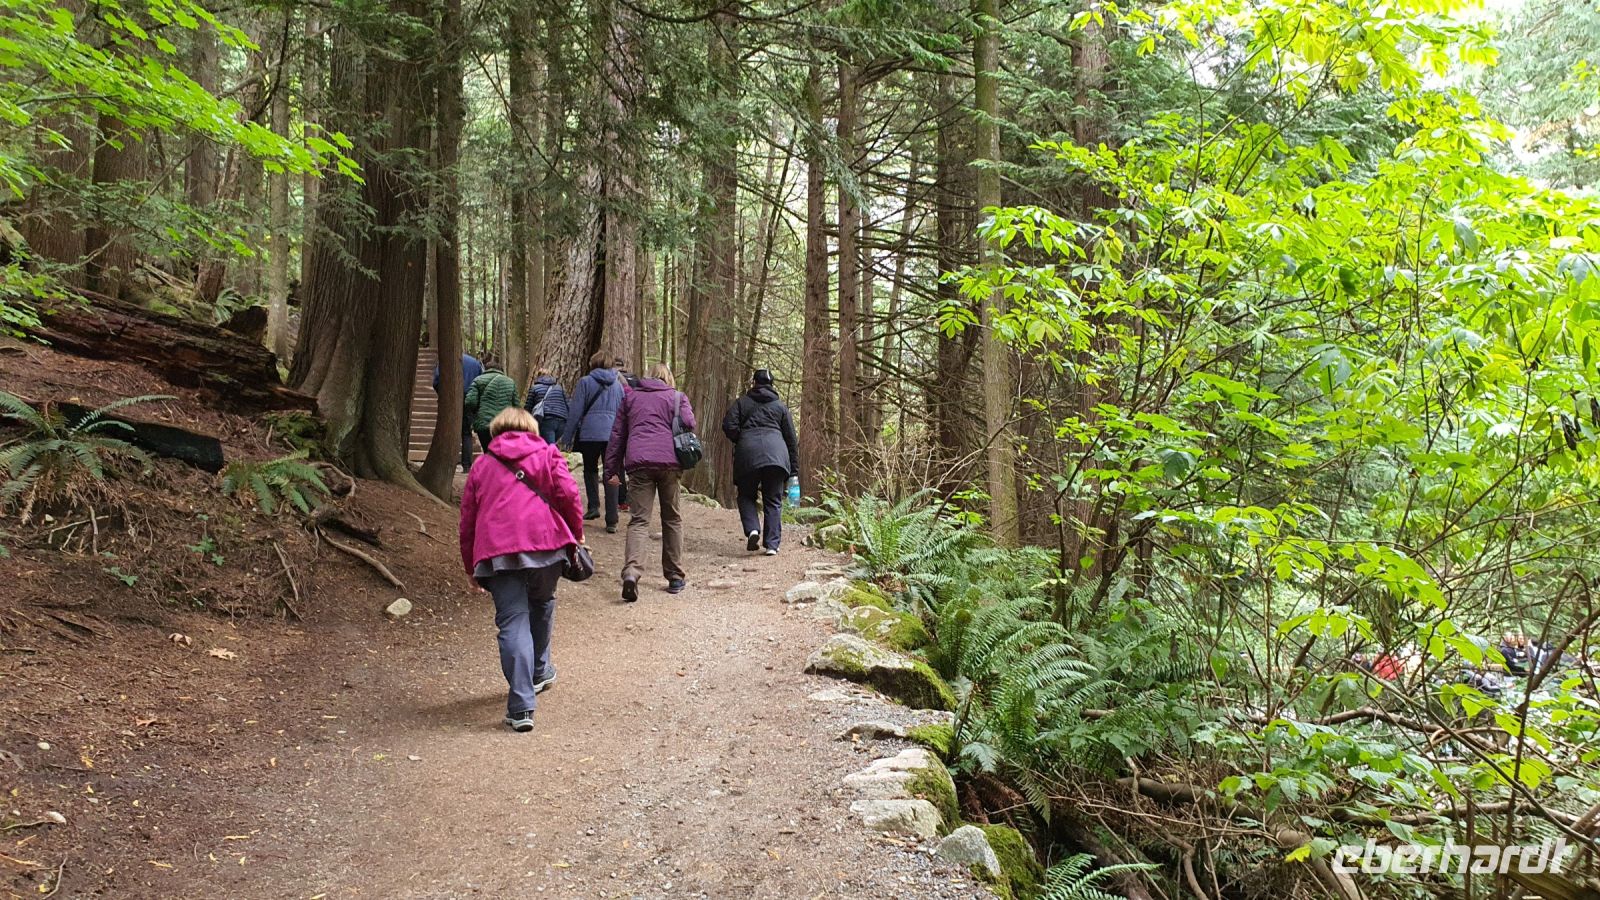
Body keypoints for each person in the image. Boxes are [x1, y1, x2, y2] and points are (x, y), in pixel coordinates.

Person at [458, 407, 585, 732]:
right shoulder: (548, 454)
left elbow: (468, 518)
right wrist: (576, 532)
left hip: (498, 552)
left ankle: (521, 707)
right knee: (542, 603)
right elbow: (569, 494)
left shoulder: (482, 465)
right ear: (532, 429)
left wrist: (470, 564)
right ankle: (540, 670)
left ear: (496, 432)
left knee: (513, 620)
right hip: (546, 545)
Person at [604, 363, 696, 602]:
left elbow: (617, 435)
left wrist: (611, 470)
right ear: (668, 378)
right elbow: (690, 423)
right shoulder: (677, 397)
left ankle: (632, 573)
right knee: (672, 518)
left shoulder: (631, 398)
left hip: (639, 464)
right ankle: (675, 577)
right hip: (670, 463)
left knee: (639, 521)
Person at [721, 369, 799, 556]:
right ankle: (772, 545)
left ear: (754, 382)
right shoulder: (780, 407)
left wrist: (742, 439)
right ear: (772, 385)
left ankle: (753, 530)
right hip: (776, 457)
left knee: (746, 495)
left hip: (748, 455)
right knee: (773, 500)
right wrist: (794, 471)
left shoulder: (741, 403)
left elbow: (729, 425)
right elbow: (791, 440)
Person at [562, 351, 626, 532]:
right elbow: (623, 412)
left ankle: (593, 507)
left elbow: (575, 411)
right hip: (612, 435)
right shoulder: (618, 385)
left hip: (589, 433)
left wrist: (567, 437)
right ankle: (612, 519)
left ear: (593, 363)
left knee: (590, 468)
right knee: (612, 474)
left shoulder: (585, 382)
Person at [433, 351, 484, 471]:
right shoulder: (475, 363)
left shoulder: (447, 360)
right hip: (469, 400)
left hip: (450, 398)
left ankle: (446, 463)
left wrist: (442, 395)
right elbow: (481, 382)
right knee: (466, 433)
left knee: (448, 430)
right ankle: (466, 465)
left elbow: (436, 381)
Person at [465, 361, 520, 456]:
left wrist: (476, 413)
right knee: (502, 453)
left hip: (484, 424)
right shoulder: (510, 382)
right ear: (500, 370)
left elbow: (470, 402)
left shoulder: (478, 380)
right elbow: (517, 406)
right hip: (504, 424)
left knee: (488, 452)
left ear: (486, 369)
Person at [525, 367, 569, 445]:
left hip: (547, 420)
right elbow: (568, 403)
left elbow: (528, 407)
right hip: (562, 421)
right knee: (550, 444)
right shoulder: (559, 388)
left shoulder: (535, 388)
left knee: (550, 446)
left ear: (538, 376)